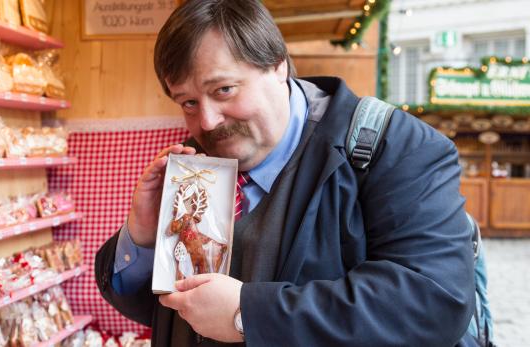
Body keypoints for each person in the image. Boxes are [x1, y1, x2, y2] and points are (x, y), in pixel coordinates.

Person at [95, 0, 477, 346]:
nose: (207, 121)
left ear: (278, 66)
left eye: (225, 90)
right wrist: (142, 239)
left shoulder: (397, 148)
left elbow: (433, 303)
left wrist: (248, 314)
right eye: (189, 102)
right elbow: (163, 310)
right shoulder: (194, 164)